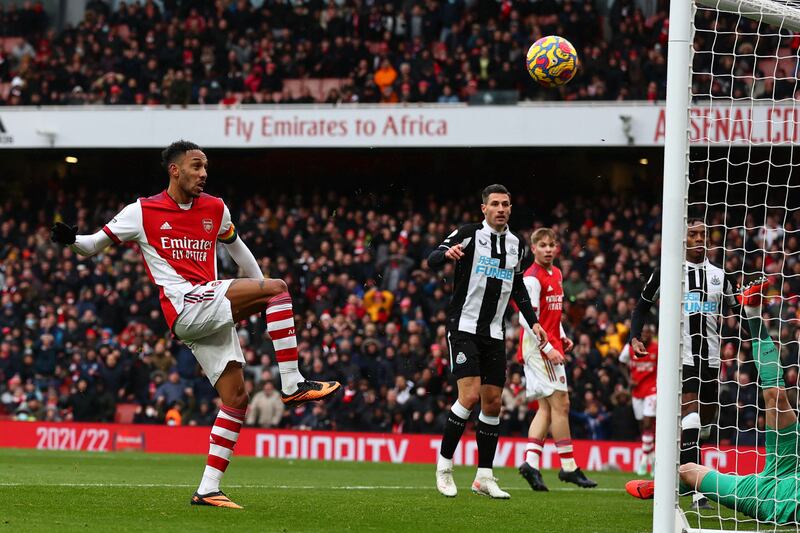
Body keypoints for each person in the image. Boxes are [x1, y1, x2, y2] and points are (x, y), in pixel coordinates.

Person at [50, 140, 340, 509]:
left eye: (205, 167)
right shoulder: (142, 211)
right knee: (279, 289)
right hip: (185, 306)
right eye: (196, 166)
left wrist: (263, 294)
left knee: (236, 399)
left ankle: (208, 489)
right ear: (174, 169)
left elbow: (239, 252)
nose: (203, 174)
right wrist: (70, 240)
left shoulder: (216, 209)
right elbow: (91, 245)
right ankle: (293, 383)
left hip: (211, 307)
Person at [629, 278, 800, 525]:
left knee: (687, 470)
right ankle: (752, 313)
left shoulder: (761, 504)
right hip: (791, 462)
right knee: (776, 395)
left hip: (763, 499)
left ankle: (664, 484)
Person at [428, 183, 548, 499]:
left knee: (492, 402)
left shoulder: (516, 244)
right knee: (468, 396)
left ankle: (484, 477)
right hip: (463, 327)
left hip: (493, 332)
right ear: (484, 208)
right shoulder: (469, 234)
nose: (500, 209)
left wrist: (534, 321)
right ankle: (444, 467)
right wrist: (446, 253)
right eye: (494, 203)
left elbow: (517, 286)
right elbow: (431, 258)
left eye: (505, 204)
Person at [628, 218, 740, 510]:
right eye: (693, 234)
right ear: (684, 238)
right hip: (682, 358)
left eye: (703, 234)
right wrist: (634, 337)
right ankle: (697, 490)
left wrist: (753, 336)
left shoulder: (719, 276)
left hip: (712, 359)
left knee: (705, 420)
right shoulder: (667, 272)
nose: (699, 238)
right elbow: (641, 307)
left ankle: (681, 467)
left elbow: (737, 309)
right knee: (691, 416)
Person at [517, 228, 597, 491]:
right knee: (562, 404)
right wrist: (549, 347)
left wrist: (561, 336)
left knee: (547, 409)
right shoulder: (531, 278)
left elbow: (552, 314)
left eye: (552, 245)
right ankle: (569, 467)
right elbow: (526, 319)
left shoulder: (557, 274)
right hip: (538, 349)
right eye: (543, 245)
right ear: (534, 248)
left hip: (548, 344)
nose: (548, 249)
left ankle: (530, 462)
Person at [619, 324, 658, 476]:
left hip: (653, 389)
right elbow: (621, 362)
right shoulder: (630, 348)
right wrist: (629, 379)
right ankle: (653, 458)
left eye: (649, 332)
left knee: (648, 423)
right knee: (643, 426)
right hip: (637, 391)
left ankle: (643, 461)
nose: (647, 335)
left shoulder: (657, 348)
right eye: (644, 333)